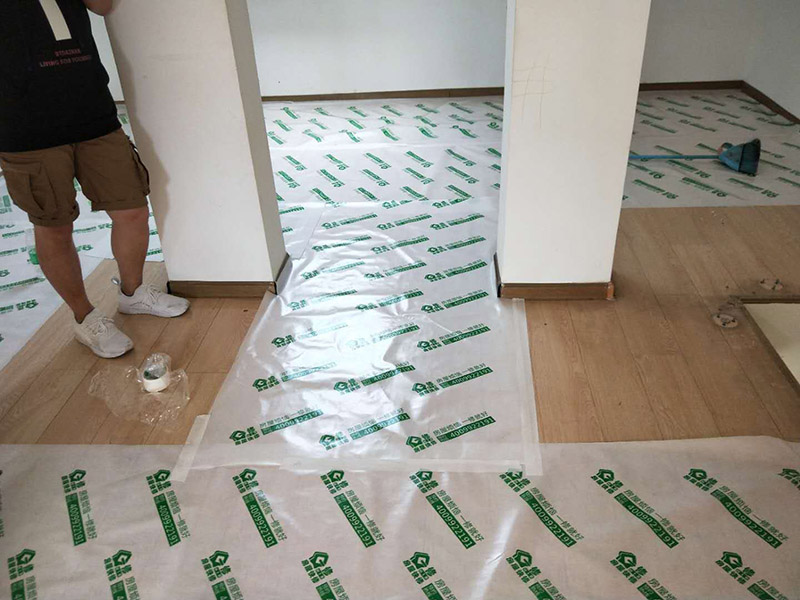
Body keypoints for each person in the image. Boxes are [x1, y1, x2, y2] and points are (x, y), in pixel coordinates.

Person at [0, 0, 189, 358]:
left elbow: (103, 5)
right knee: (54, 225)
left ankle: (133, 293)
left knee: (131, 208)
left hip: (92, 109)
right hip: (24, 123)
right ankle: (85, 317)